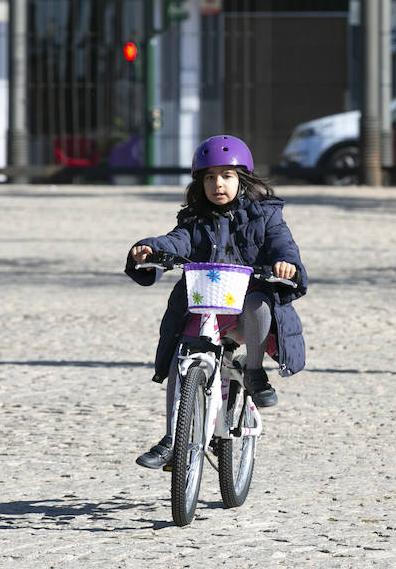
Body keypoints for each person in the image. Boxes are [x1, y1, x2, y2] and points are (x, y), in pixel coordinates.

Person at [124, 134, 308, 470]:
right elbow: (175, 242)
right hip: (206, 304)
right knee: (182, 359)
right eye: (209, 177)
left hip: (245, 310)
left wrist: (285, 263)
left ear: (243, 179)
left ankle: (253, 371)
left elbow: (283, 244)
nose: (217, 184)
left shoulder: (266, 215)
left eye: (226, 175)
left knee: (260, 306)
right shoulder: (194, 219)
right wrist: (150, 248)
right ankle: (171, 438)